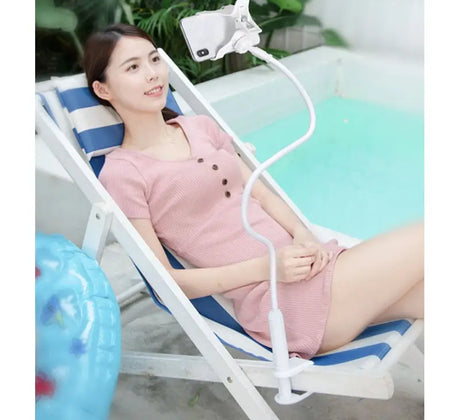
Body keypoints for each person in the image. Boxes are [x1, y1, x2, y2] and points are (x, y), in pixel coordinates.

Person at [83, 23, 424, 359]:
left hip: (315, 269)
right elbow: (167, 280)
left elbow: (262, 195)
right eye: (133, 67)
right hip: (283, 306)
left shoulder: (200, 127)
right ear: (103, 90)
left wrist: (305, 235)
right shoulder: (124, 172)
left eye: (154, 60)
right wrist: (267, 268)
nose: (152, 74)